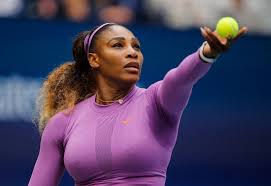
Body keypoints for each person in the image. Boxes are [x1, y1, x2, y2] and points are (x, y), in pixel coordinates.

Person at [28, 23, 247, 185]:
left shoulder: (156, 100)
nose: (132, 52)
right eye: (118, 45)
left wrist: (208, 53)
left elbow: (179, 77)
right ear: (94, 60)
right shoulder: (63, 123)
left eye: (136, 47)